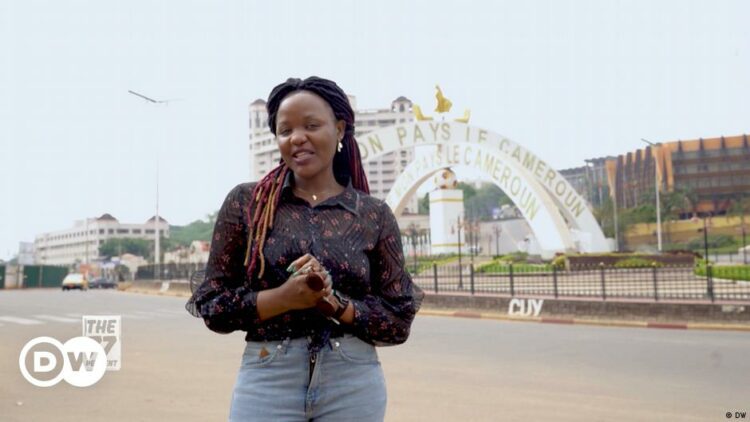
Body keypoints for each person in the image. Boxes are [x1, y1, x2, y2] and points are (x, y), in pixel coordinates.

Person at [186, 76, 424, 422]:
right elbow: (211, 306)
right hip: (268, 377)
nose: (297, 137)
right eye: (285, 131)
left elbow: (398, 321)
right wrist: (284, 297)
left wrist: (335, 304)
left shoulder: (373, 215)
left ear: (340, 129)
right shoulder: (247, 204)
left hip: (352, 381)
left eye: (311, 125)